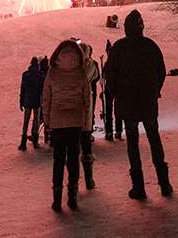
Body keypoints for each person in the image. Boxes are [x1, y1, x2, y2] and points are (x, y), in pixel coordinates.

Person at [103, 9, 172, 200]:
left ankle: (139, 186)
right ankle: (164, 183)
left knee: (132, 143)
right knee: (154, 139)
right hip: (148, 102)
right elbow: (161, 71)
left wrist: (116, 94)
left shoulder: (118, 48)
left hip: (128, 103)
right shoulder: (150, 46)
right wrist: (154, 90)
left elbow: (110, 76)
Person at [41, 39, 92, 211]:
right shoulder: (81, 72)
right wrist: (85, 122)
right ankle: (72, 197)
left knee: (58, 159)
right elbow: (87, 99)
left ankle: (56, 199)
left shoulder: (53, 72)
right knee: (73, 159)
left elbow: (46, 98)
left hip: (57, 122)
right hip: (75, 121)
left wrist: (47, 121)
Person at [76, 41, 100, 189]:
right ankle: (88, 179)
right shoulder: (89, 66)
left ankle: (74, 183)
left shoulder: (67, 67)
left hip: (70, 115)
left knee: (72, 150)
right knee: (85, 147)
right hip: (84, 114)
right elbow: (94, 76)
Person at [19, 58, 44, 150]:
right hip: (37, 101)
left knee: (26, 121)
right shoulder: (40, 75)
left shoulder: (25, 75)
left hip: (27, 101)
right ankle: (35, 141)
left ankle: (23, 143)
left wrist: (21, 101)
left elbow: (23, 89)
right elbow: (42, 90)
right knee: (36, 121)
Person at [101, 40, 123, 141]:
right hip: (118, 88)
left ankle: (110, 132)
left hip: (111, 88)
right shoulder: (119, 63)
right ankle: (117, 131)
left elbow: (103, 77)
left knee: (109, 110)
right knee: (117, 110)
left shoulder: (108, 63)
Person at [39, 57, 51, 146]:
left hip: (41, 100)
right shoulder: (50, 74)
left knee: (40, 117)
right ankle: (49, 137)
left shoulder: (41, 75)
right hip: (49, 100)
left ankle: (38, 134)